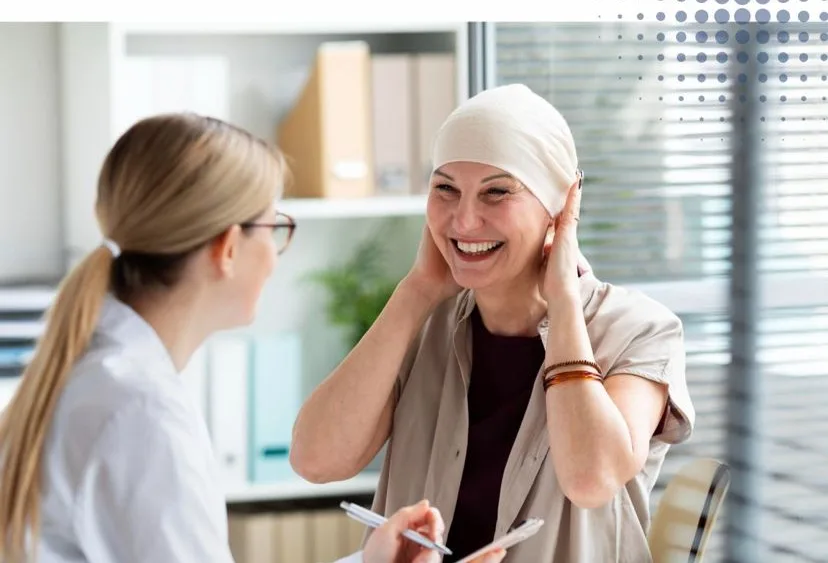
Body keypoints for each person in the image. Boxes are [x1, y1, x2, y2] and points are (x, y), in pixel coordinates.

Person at [0, 113, 506, 563]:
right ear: (226, 248)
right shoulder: (140, 414)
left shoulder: (101, 375)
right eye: (274, 226)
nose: (274, 254)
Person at [289, 83, 696, 562]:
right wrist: (416, 289)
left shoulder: (639, 330)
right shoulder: (424, 323)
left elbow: (592, 480)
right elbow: (316, 461)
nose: (463, 221)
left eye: (496, 192)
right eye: (445, 189)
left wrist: (564, 302)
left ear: (559, 209)